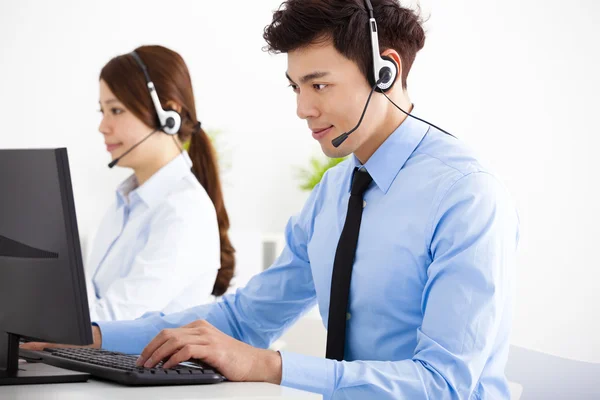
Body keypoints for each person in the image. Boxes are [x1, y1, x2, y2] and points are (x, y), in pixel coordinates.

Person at [25, 2, 519, 399]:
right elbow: (245, 319)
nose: (303, 109)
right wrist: (94, 337)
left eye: (319, 84)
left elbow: (446, 384)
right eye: (296, 86)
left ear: (385, 71)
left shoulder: (465, 194)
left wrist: (269, 366)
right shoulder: (333, 191)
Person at [88, 45, 235, 321]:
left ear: (169, 114)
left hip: (131, 362)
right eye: (102, 111)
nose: (103, 126)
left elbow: (112, 321)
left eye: (116, 110)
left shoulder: (184, 211)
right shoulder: (124, 204)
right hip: (95, 359)